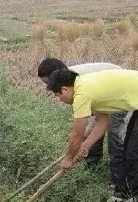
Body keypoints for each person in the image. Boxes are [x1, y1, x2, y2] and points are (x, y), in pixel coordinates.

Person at [48, 68, 138, 202]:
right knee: (126, 150)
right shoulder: (84, 86)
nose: (59, 99)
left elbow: (77, 134)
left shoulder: (82, 94)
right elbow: (104, 121)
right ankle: (123, 194)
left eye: (57, 95)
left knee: (136, 153)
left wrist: (68, 158)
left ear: (64, 89)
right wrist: (86, 145)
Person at [37, 58, 126, 188]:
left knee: (115, 137)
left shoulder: (78, 81)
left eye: (48, 82)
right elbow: (92, 117)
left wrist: (72, 153)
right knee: (91, 136)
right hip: (104, 95)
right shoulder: (69, 81)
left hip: (118, 92)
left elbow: (86, 124)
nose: (48, 87)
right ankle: (92, 170)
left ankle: (118, 184)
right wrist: (84, 140)